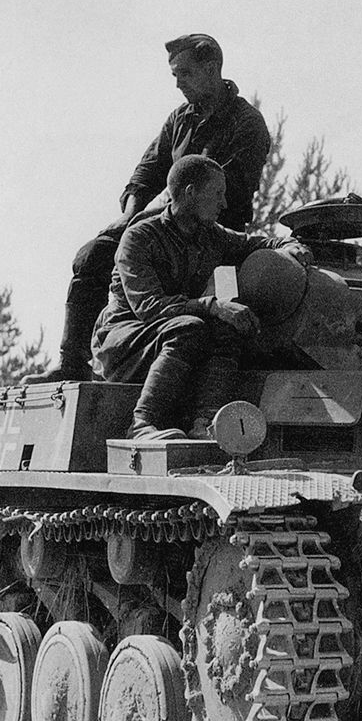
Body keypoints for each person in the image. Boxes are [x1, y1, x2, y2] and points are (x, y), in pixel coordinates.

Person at [27, 33, 272, 384]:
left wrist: (151, 215)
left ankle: (208, 395)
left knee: (223, 323)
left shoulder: (247, 123)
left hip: (217, 240)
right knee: (94, 255)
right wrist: (131, 216)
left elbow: (227, 190)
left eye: (184, 73)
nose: (178, 83)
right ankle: (72, 362)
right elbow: (145, 174)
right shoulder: (180, 120)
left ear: (212, 68)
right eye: (174, 75)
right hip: (166, 227)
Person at [92, 154, 308, 439]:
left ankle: (205, 424)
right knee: (190, 328)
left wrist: (289, 245)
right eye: (217, 193)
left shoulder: (209, 235)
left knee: (229, 328)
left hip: (172, 336)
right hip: (124, 342)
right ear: (190, 192)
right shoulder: (139, 238)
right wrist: (214, 306)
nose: (224, 203)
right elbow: (149, 307)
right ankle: (141, 423)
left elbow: (255, 242)